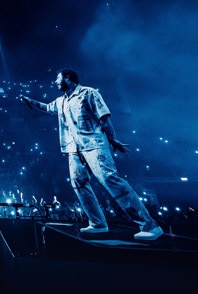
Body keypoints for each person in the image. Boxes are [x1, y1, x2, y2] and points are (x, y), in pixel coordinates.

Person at [18, 68, 163, 240]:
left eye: (58, 78)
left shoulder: (89, 93)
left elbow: (104, 118)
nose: (55, 82)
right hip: (74, 148)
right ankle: (97, 224)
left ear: (68, 78)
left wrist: (112, 140)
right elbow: (48, 108)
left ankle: (150, 226)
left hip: (94, 145)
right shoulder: (61, 101)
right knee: (78, 182)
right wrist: (30, 101)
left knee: (110, 179)